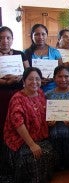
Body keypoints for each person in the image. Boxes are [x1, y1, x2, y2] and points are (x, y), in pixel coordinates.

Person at [3, 67, 55, 182]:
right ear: (24, 81)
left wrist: (50, 121)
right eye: (30, 79)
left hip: (39, 134)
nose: (35, 82)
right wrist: (32, 145)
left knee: (48, 151)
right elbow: (18, 124)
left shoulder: (41, 93)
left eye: (37, 79)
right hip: (20, 138)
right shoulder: (17, 99)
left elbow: (44, 112)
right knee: (31, 157)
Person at [0, 26, 30, 155]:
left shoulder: (20, 54)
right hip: (1, 94)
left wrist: (17, 78)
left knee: (17, 120)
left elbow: (28, 72)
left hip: (18, 94)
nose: (4, 40)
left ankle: (18, 147)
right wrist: (3, 82)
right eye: (1, 38)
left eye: (8, 37)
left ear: (12, 39)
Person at [24, 24, 63, 92]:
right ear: (32, 36)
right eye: (37, 34)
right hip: (32, 89)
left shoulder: (55, 52)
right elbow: (24, 73)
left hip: (52, 89)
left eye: (43, 34)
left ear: (47, 35)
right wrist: (38, 80)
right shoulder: (25, 53)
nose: (40, 37)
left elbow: (60, 71)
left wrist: (52, 79)